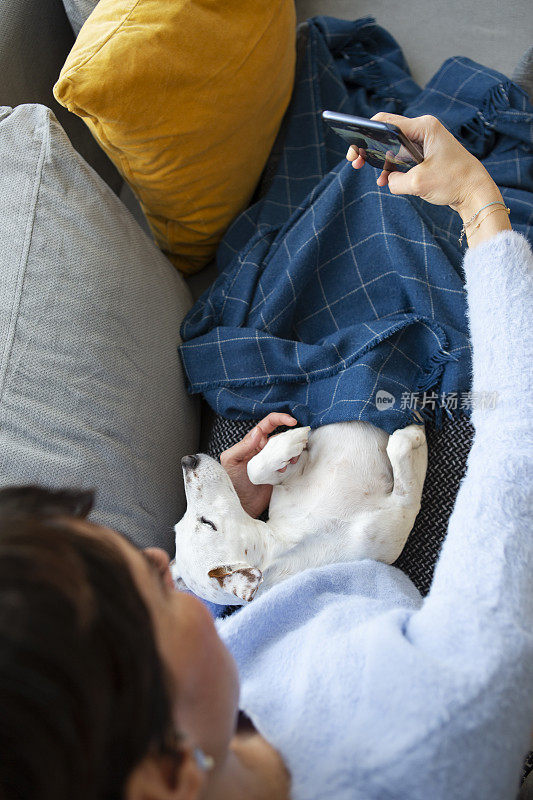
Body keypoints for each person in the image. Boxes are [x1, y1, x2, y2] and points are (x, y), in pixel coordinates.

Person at [0, 113, 531, 800]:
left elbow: (202, 612)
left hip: (272, 559)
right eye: (153, 594)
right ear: (171, 772)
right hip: (404, 559)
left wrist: (216, 545)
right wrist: (476, 203)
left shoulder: (172, 736)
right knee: (398, 260)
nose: (158, 559)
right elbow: (516, 446)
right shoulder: (428, 728)